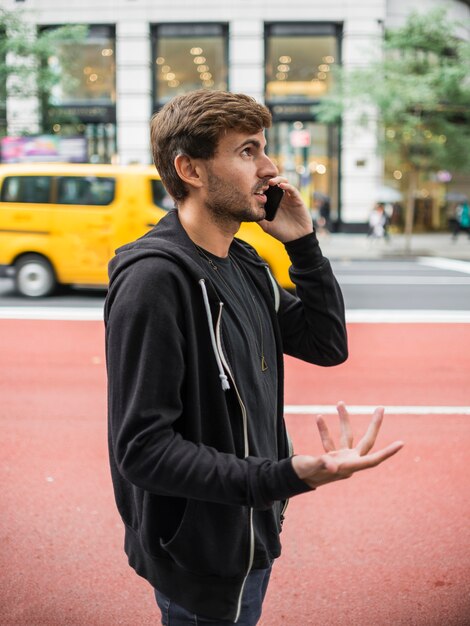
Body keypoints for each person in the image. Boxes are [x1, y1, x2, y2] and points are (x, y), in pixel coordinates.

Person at [104, 90, 404, 626]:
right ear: (189, 169)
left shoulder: (245, 264)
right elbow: (143, 450)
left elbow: (326, 344)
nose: (270, 168)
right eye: (247, 151)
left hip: (249, 529)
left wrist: (304, 245)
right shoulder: (155, 280)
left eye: (264, 148)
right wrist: (284, 476)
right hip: (198, 554)